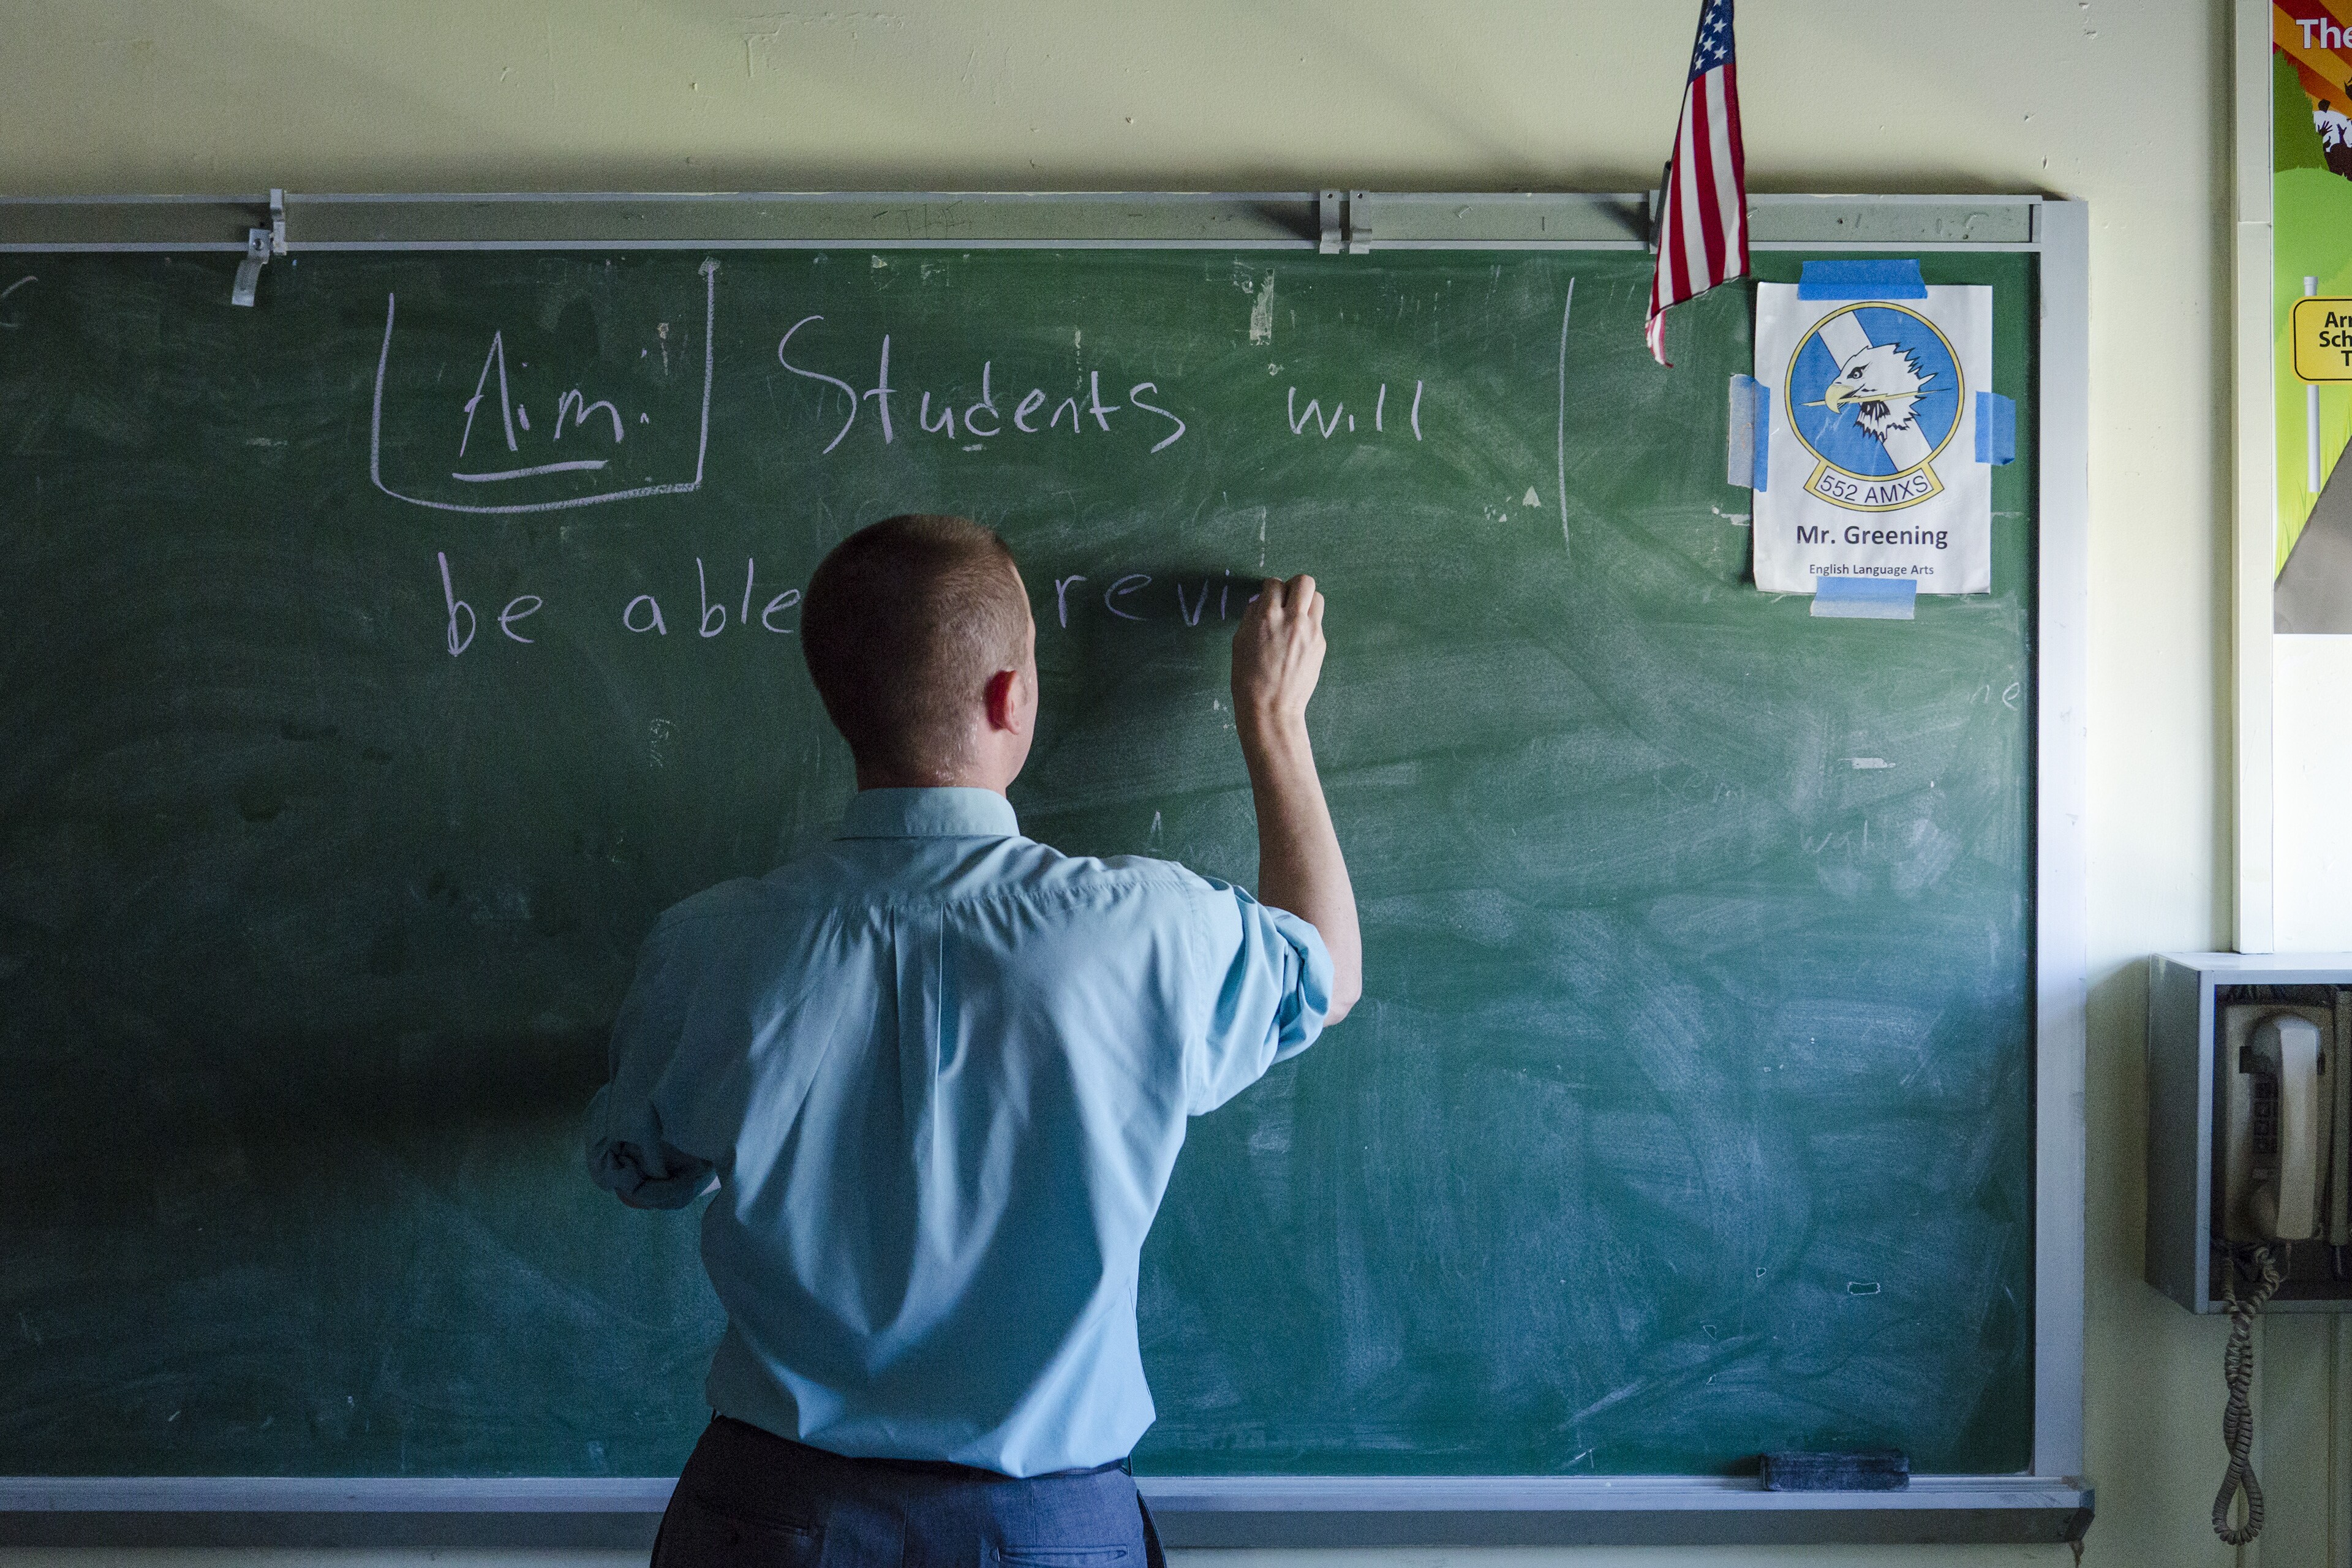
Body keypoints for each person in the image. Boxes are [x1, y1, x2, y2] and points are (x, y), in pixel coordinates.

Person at [586, 513, 1362, 1567]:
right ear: (1011, 696)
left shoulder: (707, 947)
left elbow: (642, 1169)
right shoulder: (1146, 931)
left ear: (839, 705)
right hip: (1042, 1529)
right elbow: (1325, 974)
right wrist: (1272, 719)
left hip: (768, 1519)